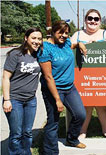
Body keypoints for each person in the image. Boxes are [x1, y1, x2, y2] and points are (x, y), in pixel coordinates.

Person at [37, 20, 87, 154]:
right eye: (60, 32)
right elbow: (48, 77)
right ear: (53, 32)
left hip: (70, 87)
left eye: (66, 33)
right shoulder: (45, 48)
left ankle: (72, 139)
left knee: (80, 115)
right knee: (53, 122)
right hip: (53, 89)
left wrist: (80, 44)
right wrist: (57, 99)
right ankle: (50, 151)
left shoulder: (66, 44)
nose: (64, 35)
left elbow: (73, 44)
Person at [71, 9, 106, 139]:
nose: (93, 21)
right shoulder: (78, 34)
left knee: (101, 105)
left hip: (101, 75)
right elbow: (68, 46)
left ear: (100, 21)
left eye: (96, 19)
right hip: (82, 75)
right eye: (90, 18)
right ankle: (82, 131)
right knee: (86, 105)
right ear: (85, 20)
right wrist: (78, 44)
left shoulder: (105, 34)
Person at [2, 27, 43, 155]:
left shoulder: (39, 54)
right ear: (26, 38)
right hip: (14, 99)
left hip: (31, 100)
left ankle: (26, 153)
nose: (37, 41)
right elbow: (6, 77)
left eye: (39, 39)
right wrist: (7, 100)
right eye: (33, 38)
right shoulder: (16, 54)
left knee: (28, 132)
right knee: (16, 134)